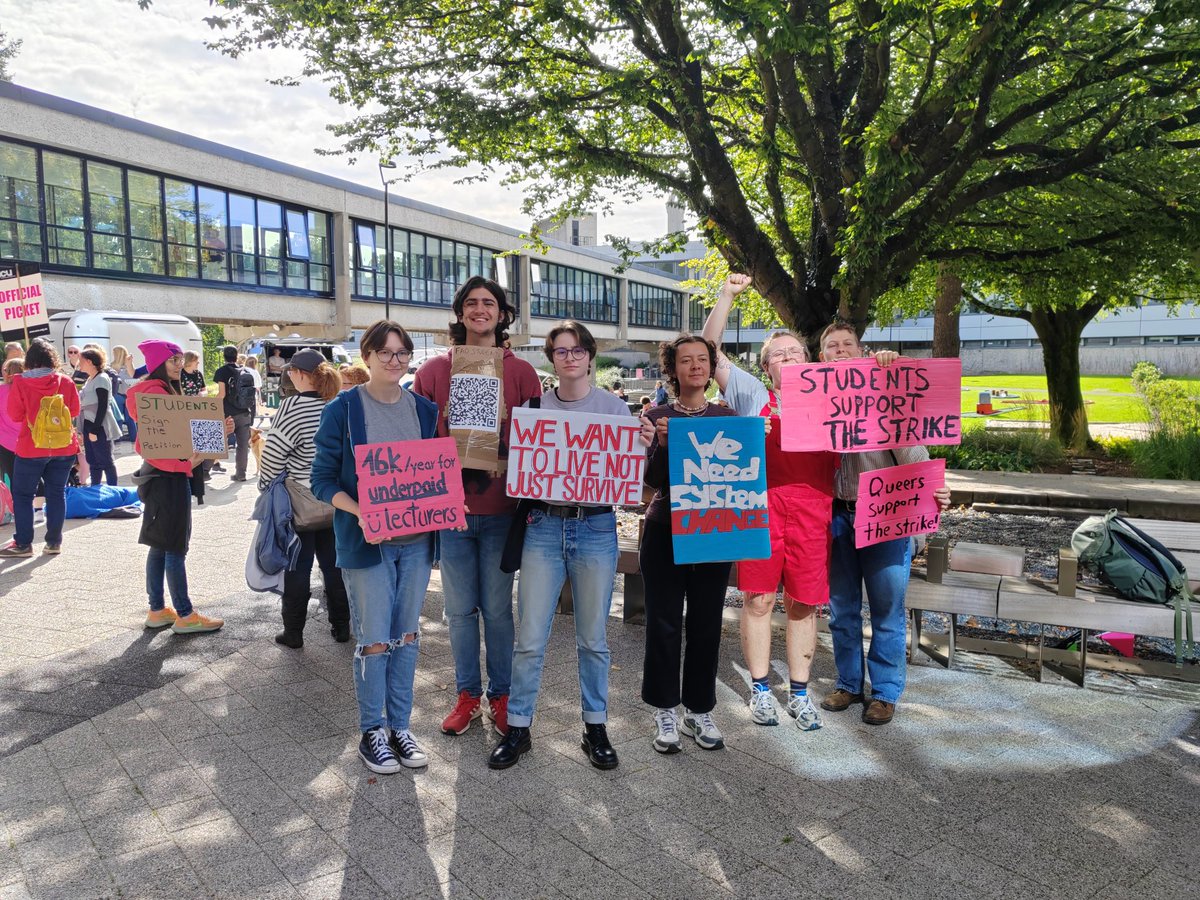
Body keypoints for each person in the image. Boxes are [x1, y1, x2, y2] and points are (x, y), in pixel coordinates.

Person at [487, 320, 630, 772]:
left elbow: (628, 477)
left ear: (589, 355)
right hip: (544, 526)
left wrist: (642, 446)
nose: (569, 357)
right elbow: (518, 468)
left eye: (577, 350)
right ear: (553, 359)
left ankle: (595, 727)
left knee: (594, 639)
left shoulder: (615, 409)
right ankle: (519, 727)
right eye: (560, 351)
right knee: (530, 636)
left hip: (595, 527)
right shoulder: (534, 408)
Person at [703, 273, 837, 731]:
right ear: (766, 368)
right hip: (758, 510)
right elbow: (708, 353)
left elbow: (885, 398)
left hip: (812, 510)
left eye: (795, 351)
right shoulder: (752, 395)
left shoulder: (834, 398)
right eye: (777, 354)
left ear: (810, 361)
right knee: (758, 600)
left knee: (804, 604)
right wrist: (726, 297)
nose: (787, 357)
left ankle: (799, 692)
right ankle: (761, 688)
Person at [413, 276, 541, 739]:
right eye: (472, 303)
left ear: (502, 314)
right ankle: (467, 694)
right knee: (460, 610)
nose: (480, 310)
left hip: (502, 509)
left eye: (489, 303)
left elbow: (538, 447)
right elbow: (417, 444)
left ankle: (501, 695)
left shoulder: (522, 373)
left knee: (497, 609)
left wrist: (504, 446)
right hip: (451, 510)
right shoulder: (432, 373)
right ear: (460, 312)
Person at [311, 320, 441, 774]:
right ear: (365, 357)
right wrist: (362, 510)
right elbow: (321, 480)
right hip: (368, 545)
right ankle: (373, 730)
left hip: (417, 543)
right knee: (374, 640)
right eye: (384, 352)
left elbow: (433, 474)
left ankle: (401, 727)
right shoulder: (344, 410)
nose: (394, 360)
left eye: (402, 352)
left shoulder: (425, 410)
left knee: (407, 636)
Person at [818, 322, 952, 726]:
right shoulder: (816, 407)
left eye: (847, 345)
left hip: (886, 519)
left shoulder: (886, 403)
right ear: (822, 358)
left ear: (860, 353)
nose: (839, 351)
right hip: (837, 517)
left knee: (887, 611)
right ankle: (847, 683)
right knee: (841, 610)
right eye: (831, 347)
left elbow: (919, 462)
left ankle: (885, 693)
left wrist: (932, 503)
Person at [637, 335, 738, 754]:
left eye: (703, 359)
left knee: (706, 623)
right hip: (665, 531)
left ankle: (699, 709)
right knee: (662, 622)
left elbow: (741, 476)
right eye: (686, 360)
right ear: (673, 369)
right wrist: (659, 443)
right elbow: (652, 482)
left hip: (715, 531)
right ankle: (664, 708)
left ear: (712, 367)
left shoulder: (728, 416)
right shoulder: (655, 414)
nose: (695, 366)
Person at [126, 340, 229, 633]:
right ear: (159, 363)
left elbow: (177, 436)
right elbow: (172, 445)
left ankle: (158, 610)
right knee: (174, 547)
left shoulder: (152, 393)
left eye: (181, 359)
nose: (179, 365)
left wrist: (218, 431)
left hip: (159, 475)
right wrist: (192, 462)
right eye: (173, 360)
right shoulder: (158, 394)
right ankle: (184, 614)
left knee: (160, 545)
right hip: (170, 476)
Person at [257, 348, 350, 649]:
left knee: (297, 565)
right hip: (336, 499)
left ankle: (294, 632)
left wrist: (265, 487)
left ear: (297, 374)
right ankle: (342, 626)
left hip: (301, 503)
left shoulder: (291, 406)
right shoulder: (336, 404)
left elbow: (273, 455)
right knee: (334, 565)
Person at [1, 339, 81, 558]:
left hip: (31, 446)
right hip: (63, 446)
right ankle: (54, 543)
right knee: (56, 494)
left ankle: (24, 544)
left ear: (30, 360)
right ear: (52, 358)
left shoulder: (20, 382)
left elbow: (16, 415)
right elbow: (74, 410)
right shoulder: (65, 381)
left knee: (23, 495)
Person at [76, 347, 120, 486]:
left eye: (81, 360)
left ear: (89, 361)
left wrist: (95, 429)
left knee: (106, 460)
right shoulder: (90, 379)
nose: (79, 363)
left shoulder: (101, 378)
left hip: (99, 425)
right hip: (88, 423)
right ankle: (96, 489)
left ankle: (113, 490)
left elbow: (103, 405)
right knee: (93, 461)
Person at [213, 345, 255, 482]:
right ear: (236, 356)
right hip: (244, 412)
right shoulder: (245, 370)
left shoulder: (221, 372)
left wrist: (210, 405)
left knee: (217, 440)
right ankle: (241, 474)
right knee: (242, 445)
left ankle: (205, 470)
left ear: (224, 356)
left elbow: (222, 394)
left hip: (228, 413)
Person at [0, 358, 25, 487]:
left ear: (7, 372)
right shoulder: (30, 390)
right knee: (34, 478)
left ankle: (19, 506)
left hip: (5, 442)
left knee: (13, 477)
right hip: (29, 440)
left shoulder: (1, 391)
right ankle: (38, 506)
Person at [110, 345, 137, 443]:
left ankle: (117, 438)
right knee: (131, 418)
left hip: (117, 394)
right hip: (129, 395)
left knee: (118, 417)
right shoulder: (129, 365)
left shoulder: (112, 366)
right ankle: (134, 438)